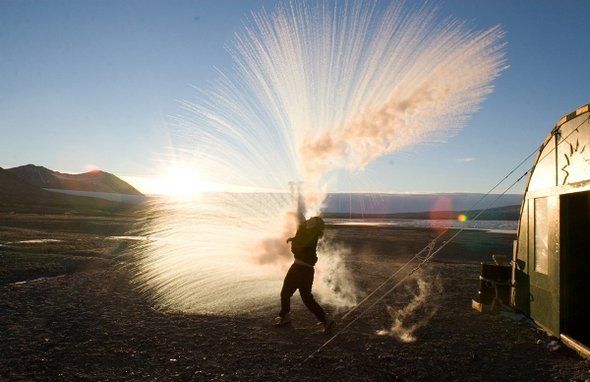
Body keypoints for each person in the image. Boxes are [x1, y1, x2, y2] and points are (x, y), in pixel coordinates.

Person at [273, 216, 334, 333]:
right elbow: (300, 241)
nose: (310, 219)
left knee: (286, 293)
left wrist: (296, 235)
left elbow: (298, 248)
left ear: (315, 225)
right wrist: (295, 237)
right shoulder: (309, 232)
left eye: (313, 220)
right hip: (305, 269)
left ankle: (285, 316)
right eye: (311, 218)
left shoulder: (311, 234)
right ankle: (326, 319)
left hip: (300, 269)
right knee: (305, 297)